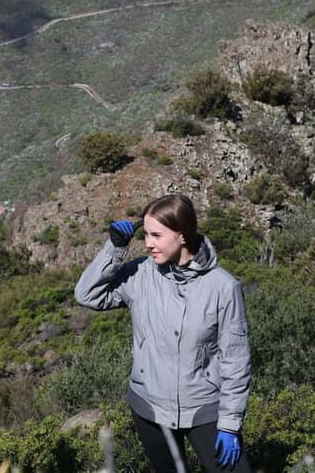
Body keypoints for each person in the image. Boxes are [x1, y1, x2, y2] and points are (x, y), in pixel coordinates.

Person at [75, 194, 252, 472]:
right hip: (149, 408)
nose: (148, 243)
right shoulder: (140, 274)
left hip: (204, 408)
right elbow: (88, 295)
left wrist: (230, 423)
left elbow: (236, 360)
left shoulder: (223, 287)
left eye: (156, 235)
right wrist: (115, 248)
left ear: (182, 236)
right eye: (145, 234)